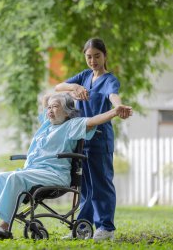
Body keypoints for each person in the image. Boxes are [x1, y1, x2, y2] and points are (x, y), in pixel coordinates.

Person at [0, 92, 132, 239]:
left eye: (55, 107)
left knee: (16, 177)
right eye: (49, 107)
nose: (50, 110)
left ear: (68, 111)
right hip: (33, 172)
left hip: (55, 174)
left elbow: (94, 120)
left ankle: (4, 226)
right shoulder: (47, 124)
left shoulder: (72, 124)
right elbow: (46, 97)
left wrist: (115, 111)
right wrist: (70, 88)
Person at [55, 38, 132, 241]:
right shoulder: (84, 76)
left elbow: (113, 96)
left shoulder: (109, 79)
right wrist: (74, 88)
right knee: (85, 187)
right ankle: (83, 227)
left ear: (104, 56)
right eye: (89, 56)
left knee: (101, 184)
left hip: (99, 139)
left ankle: (106, 228)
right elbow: (58, 87)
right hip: (82, 139)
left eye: (97, 56)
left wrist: (119, 107)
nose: (93, 60)